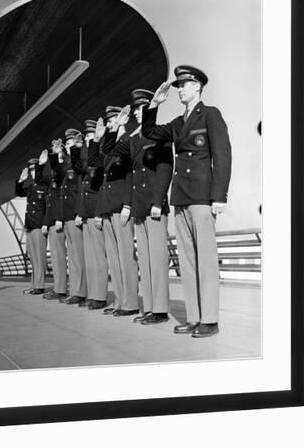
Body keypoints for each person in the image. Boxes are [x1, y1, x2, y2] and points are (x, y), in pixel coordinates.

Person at [142, 65, 232, 338]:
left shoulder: (210, 114)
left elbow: (222, 155)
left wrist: (219, 196)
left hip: (202, 197)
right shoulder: (178, 124)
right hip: (181, 196)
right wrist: (154, 104)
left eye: (184, 84)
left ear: (197, 87)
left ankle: (210, 319)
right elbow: (149, 132)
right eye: (178, 85)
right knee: (188, 260)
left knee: (205, 260)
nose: (179, 89)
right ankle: (194, 318)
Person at [111, 89, 173, 325]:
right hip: (139, 206)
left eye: (141, 108)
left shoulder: (160, 134)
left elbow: (165, 168)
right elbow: (114, 151)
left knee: (157, 259)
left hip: (153, 205)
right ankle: (149, 307)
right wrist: (118, 127)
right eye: (136, 109)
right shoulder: (134, 138)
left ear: (150, 108)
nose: (138, 113)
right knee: (145, 259)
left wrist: (158, 201)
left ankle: (160, 310)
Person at [94, 107, 139, 317]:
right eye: (109, 121)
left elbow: (131, 175)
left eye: (113, 120)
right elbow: (94, 164)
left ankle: (130, 303)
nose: (110, 123)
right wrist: (96, 140)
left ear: (122, 120)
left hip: (121, 207)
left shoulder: (129, 140)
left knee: (125, 256)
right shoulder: (108, 147)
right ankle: (120, 300)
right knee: (113, 258)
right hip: (108, 207)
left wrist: (128, 205)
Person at [72, 120, 108, 310]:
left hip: (96, 211)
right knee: (90, 257)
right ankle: (93, 294)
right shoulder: (88, 157)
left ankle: (100, 296)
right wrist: (76, 149)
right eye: (86, 136)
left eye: (90, 135)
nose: (87, 138)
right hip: (86, 212)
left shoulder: (100, 154)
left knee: (98, 256)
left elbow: (102, 187)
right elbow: (78, 169)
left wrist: (99, 212)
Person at [49, 129, 87, 305]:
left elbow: (80, 190)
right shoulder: (69, 163)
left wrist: (80, 212)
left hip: (75, 214)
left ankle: (80, 291)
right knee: (72, 256)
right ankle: (75, 290)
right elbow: (59, 171)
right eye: (68, 143)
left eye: (71, 142)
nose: (69, 144)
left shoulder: (79, 162)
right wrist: (56, 154)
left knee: (78, 255)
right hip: (67, 216)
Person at [15, 153, 50, 295]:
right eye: (30, 170)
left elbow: (49, 205)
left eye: (34, 169)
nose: (32, 172)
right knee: (32, 255)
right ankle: (34, 284)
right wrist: (20, 180)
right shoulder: (30, 187)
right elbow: (18, 193)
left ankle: (39, 286)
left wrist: (46, 224)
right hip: (29, 225)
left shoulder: (45, 184)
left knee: (39, 256)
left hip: (39, 225)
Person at [41, 146, 68, 300]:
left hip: (59, 220)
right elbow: (49, 202)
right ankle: (58, 287)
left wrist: (58, 218)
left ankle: (61, 289)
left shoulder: (63, 173)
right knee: (56, 257)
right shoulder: (54, 176)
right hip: (52, 221)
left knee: (59, 257)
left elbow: (61, 199)